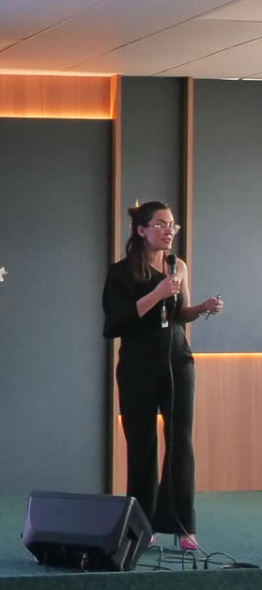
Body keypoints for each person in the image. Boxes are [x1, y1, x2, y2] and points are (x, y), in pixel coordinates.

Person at [102, 201, 224, 551]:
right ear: (142, 230)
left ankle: (184, 525)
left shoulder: (177, 265)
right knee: (142, 445)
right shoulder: (121, 273)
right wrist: (156, 294)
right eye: (161, 224)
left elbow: (179, 313)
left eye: (172, 225)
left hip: (177, 361)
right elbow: (114, 323)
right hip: (138, 365)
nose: (169, 230)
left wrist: (201, 308)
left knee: (180, 442)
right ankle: (143, 526)